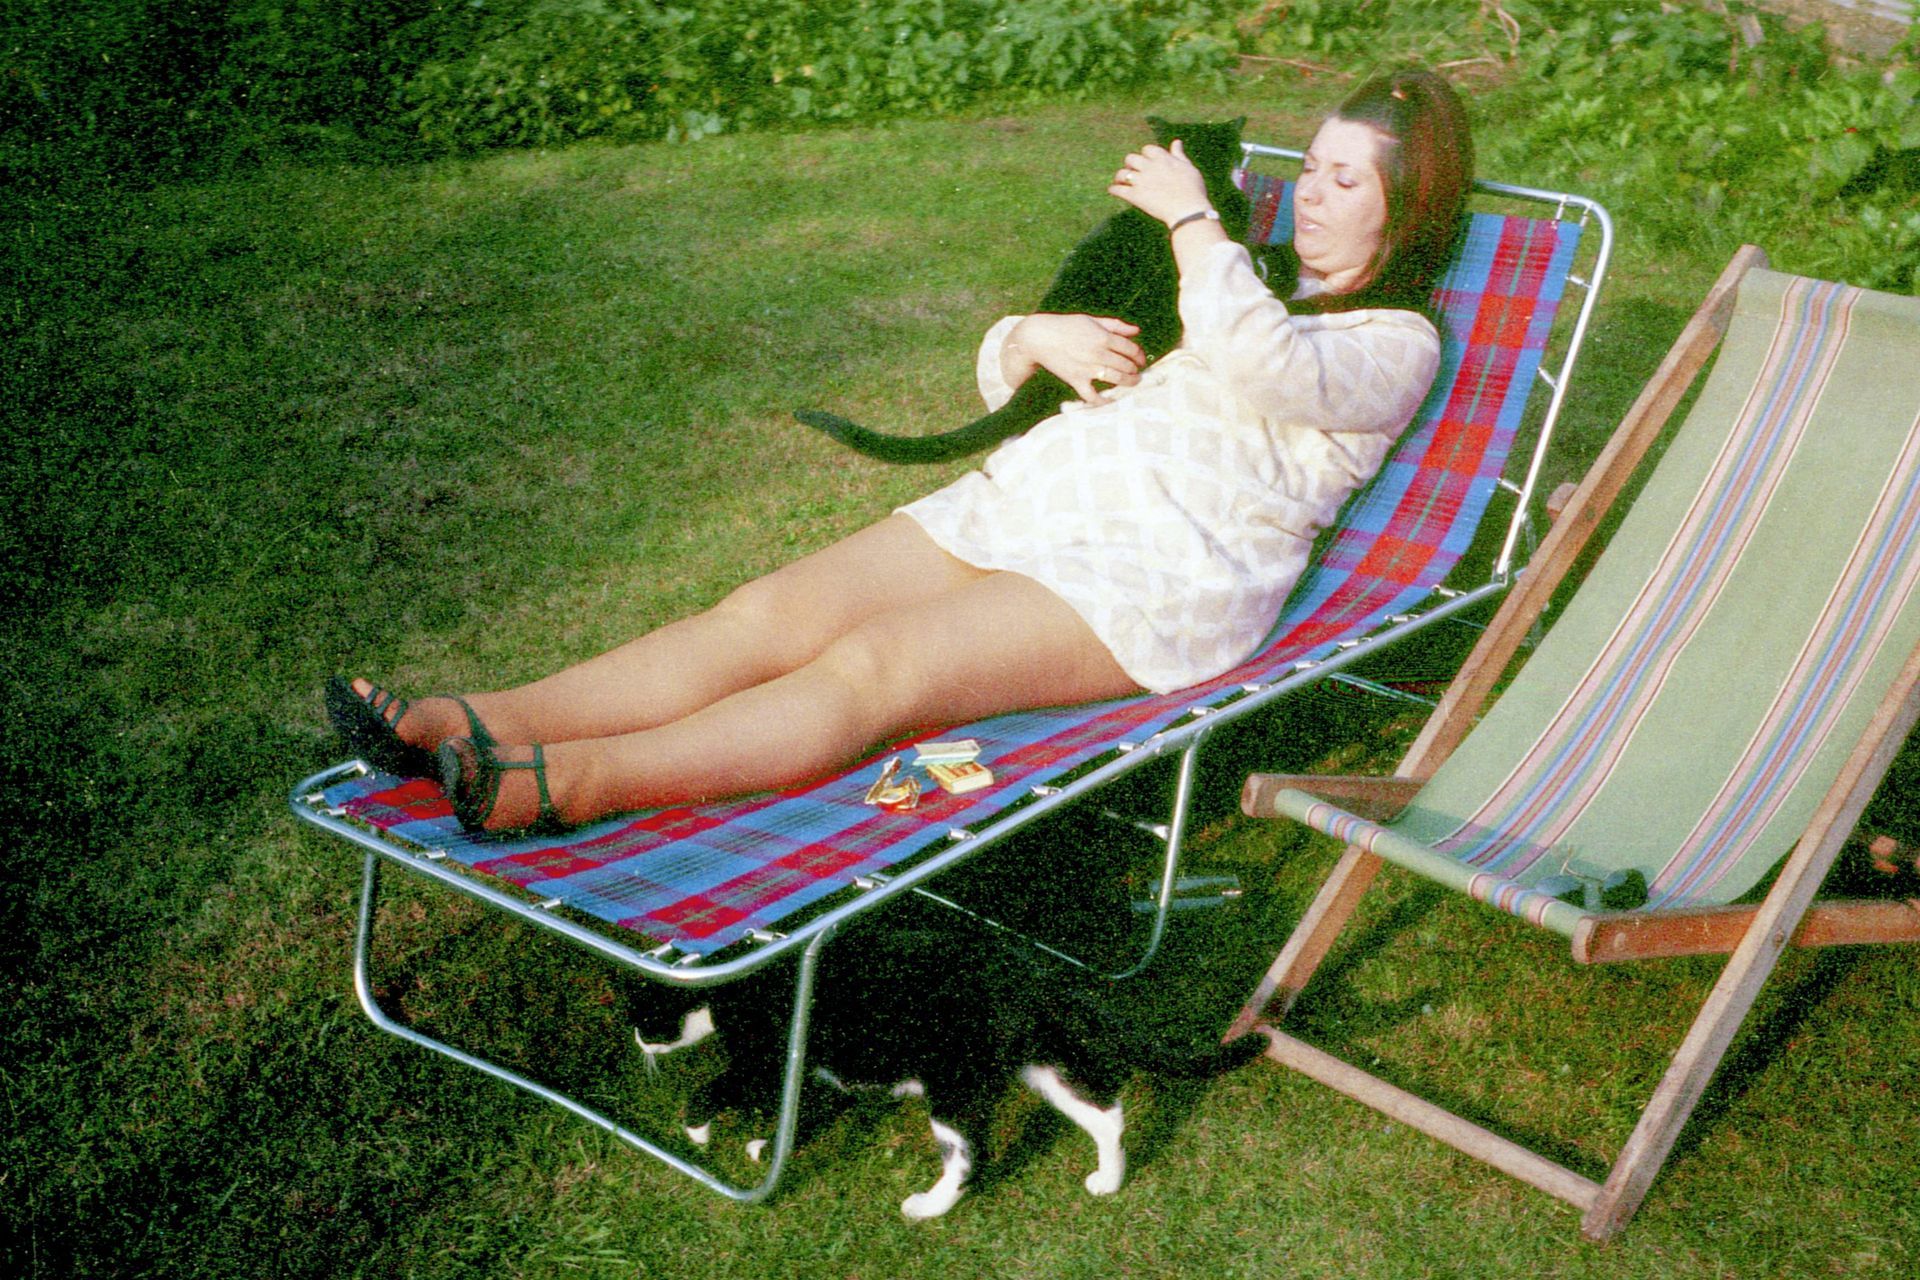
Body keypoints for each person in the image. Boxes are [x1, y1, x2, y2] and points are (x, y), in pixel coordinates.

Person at [329, 68, 1475, 836]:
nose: (1309, 195)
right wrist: (1031, 336)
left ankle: (572, 782)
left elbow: (1264, 361)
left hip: (1154, 576)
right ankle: (477, 719)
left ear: (1406, 207)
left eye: (1344, 179)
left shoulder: (1393, 341)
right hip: (1035, 498)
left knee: (874, 667)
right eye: (1309, 167)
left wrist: (1191, 218)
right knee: (762, 613)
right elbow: (1025, 376)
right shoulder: (1238, 268)